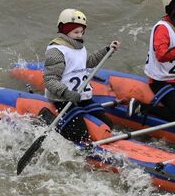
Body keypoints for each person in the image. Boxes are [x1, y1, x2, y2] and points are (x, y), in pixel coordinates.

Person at [44, 9, 119, 145]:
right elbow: (50, 80)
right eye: (76, 32)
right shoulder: (56, 51)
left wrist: (106, 50)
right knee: (79, 132)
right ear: (65, 30)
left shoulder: (79, 47)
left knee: (107, 123)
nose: (79, 35)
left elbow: (89, 62)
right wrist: (66, 93)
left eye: (81, 32)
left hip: (80, 96)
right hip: (62, 98)